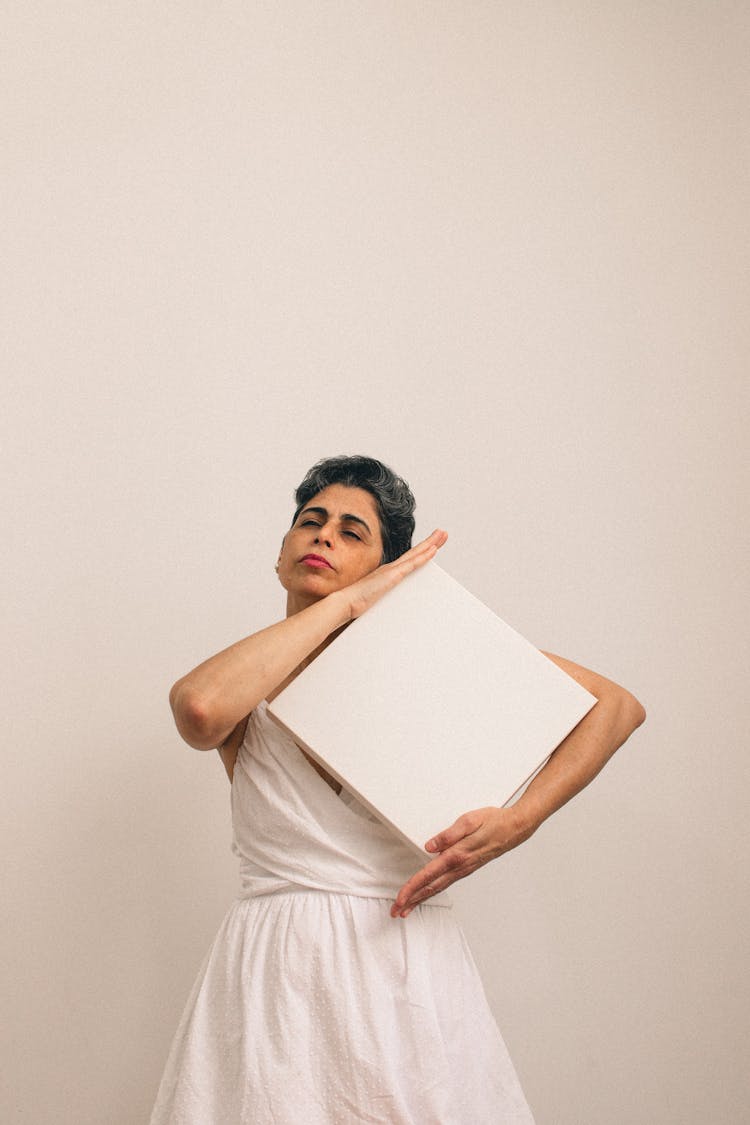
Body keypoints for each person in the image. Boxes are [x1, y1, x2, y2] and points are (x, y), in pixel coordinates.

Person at [149, 454, 646, 1124]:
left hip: (407, 964)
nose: (323, 535)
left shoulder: (433, 663)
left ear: (391, 569)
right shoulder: (249, 677)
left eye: (354, 532)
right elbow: (201, 709)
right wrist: (349, 601)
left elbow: (613, 706)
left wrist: (518, 820)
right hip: (278, 973)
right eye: (310, 521)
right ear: (281, 553)